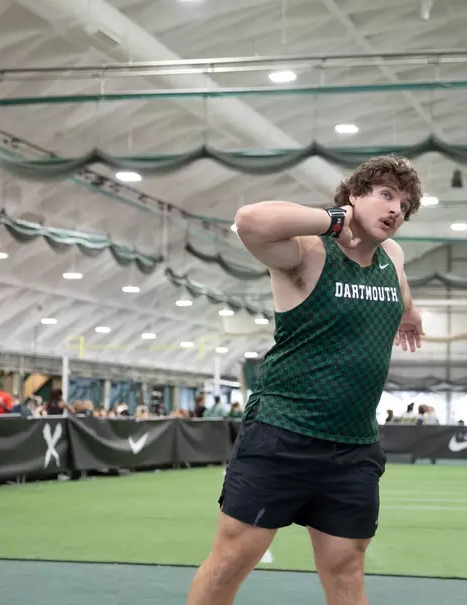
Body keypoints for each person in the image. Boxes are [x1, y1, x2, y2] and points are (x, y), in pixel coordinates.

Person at [186, 155, 425, 605]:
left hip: (354, 447)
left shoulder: (392, 255)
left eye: (405, 204)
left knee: (347, 568)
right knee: (232, 560)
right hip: (281, 434)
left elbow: (402, 287)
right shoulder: (308, 250)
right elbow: (249, 220)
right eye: (386, 195)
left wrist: (409, 312)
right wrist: (333, 222)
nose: (397, 209)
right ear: (354, 195)